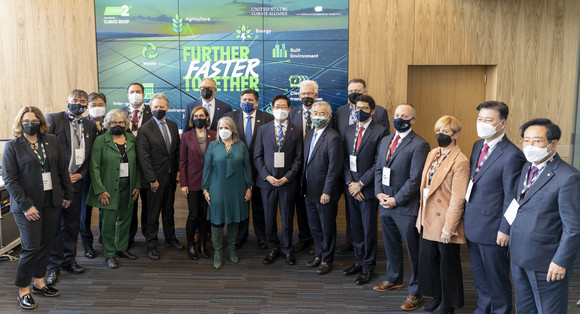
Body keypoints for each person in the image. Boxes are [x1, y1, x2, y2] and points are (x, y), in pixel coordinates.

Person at [2, 106, 73, 310]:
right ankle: (23, 290)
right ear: (20, 123)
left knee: (46, 244)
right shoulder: (13, 146)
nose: (29, 124)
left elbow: (62, 169)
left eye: (34, 120)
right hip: (27, 206)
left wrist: (66, 194)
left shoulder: (51, 141)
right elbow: (10, 179)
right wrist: (26, 205)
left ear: (41, 122)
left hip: (51, 201)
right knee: (31, 247)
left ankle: (39, 282)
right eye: (25, 120)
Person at [510, 119, 580, 313]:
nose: (530, 146)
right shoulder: (527, 167)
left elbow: (573, 228)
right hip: (519, 254)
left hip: (547, 262)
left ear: (553, 143)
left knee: (549, 310)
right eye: (526, 140)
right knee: (524, 308)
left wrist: (561, 261)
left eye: (537, 141)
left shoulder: (568, 177)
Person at [464, 101, 525, 314]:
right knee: (480, 278)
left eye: (488, 120)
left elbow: (512, 198)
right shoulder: (477, 145)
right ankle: (483, 310)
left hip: (494, 230)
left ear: (503, 123)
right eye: (480, 119)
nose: (482, 124)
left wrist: (505, 229)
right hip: (473, 224)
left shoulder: (512, 155)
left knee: (497, 280)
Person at [373, 103, 429, 311]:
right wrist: (379, 193)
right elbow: (379, 168)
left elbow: (415, 180)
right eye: (397, 115)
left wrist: (396, 200)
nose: (399, 119)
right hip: (384, 202)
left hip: (405, 206)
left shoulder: (420, 145)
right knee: (391, 244)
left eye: (404, 116)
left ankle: (416, 291)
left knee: (413, 250)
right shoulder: (386, 140)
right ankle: (394, 278)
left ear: (413, 120)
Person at [415, 115, 469, 314]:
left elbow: (458, 199)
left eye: (446, 132)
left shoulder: (460, 161)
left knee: (448, 265)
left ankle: (449, 304)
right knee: (430, 261)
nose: (441, 135)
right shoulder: (433, 153)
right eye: (439, 130)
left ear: (456, 135)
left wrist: (449, 228)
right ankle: (437, 297)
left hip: (446, 220)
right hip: (428, 217)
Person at [45, 89, 97, 285]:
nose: (79, 103)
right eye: (75, 100)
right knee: (55, 225)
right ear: (67, 101)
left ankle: (69, 259)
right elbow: (45, 151)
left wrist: (81, 174)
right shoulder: (53, 119)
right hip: (55, 183)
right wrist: (61, 175)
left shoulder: (90, 125)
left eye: (82, 100)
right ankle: (53, 266)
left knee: (72, 223)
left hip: (76, 181)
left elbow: (90, 155)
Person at [341, 95, 387, 285]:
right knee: (356, 228)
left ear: (373, 111)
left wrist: (361, 184)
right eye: (357, 107)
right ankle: (359, 262)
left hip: (367, 190)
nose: (360, 111)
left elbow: (379, 163)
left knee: (368, 230)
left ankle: (368, 266)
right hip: (351, 188)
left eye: (365, 108)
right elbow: (343, 159)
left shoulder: (381, 132)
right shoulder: (349, 129)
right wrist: (351, 183)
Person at [87, 109, 141, 269]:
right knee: (109, 223)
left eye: (121, 122)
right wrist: (100, 190)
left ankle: (121, 249)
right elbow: (94, 167)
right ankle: (109, 254)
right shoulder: (101, 141)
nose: (117, 125)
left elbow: (137, 165)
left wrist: (137, 185)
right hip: (108, 189)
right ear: (107, 124)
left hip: (128, 187)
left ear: (126, 124)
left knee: (126, 220)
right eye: (113, 123)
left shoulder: (131, 139)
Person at [253, 94, 303, 265]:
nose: (280, 110)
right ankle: (273, 248)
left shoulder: (296, 130)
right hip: (267, 183)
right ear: (272, 109)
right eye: (277, 107)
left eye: (284, 107)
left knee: (288, 217)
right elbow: (257, 157)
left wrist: (287, 178)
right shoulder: (263, 129)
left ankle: (288, 249)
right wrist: (267, 177)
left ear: (289, 109)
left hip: (287, 184)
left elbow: (298, 158)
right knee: (269, 217)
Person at [202, 116, 254, 269]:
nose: (223, 130)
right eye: (220, 128)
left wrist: (249, 187)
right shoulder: (212, 145)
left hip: (237, 188)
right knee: (217, 220)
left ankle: (231, 249)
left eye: (226, 127)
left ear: (232, 129)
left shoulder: (241, 146)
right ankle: (218, 252)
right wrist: (205, 189)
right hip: (217, 188)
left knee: (234, 218)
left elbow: (247, 167)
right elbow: (207, 168)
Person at [224, 89, 273, 250]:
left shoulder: (268, 118)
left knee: (259, 206)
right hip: (238, 171)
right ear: (240, 102)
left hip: (261, 170)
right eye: (244, 99)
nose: (247, 102)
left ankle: (262, 237)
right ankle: (240, 236)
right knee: (241, 205)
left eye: (251, 100)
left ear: (257, 102)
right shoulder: (231, 118)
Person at [136, 93, 183, 261]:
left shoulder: (172, 125)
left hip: (170, 177)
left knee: (169, 210)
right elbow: (144, 157)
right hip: (154, 180)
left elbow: (176, 151)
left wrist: (177, 171)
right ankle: (151, 244)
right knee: (152, 213)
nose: (158, 109)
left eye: (161, 107)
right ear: (150, 108)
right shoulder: (144, 129)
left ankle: (170, 239)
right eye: (155, 107)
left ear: (167, 108)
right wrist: (151, 179)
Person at [302, 101, 343, 275]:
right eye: (315, 113)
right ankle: (318, 255)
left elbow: (334, 168)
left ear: (329, 116)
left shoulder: (334, 137)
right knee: (315, 227)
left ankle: (327, 259)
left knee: (327, 228)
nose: (317, 116)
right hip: (309, 190)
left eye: (322, 114)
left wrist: (327, 191)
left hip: (325, 193)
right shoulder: (310, 134)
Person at [287, 79, 320, 252]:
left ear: (316, 95)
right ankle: (304, 237)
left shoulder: (324, 113)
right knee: (300, 204)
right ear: (298, 95)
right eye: (303, 94)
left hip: (317, 168)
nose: (307, 96)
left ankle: (316, 239)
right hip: (296, 167)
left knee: (316, 205)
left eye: (310, 93)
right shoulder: (292, 114)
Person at [180, 106, 216, 260]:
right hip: (192, 182)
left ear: (207, 118)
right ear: (192, 118)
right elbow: (182, 162)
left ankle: (202, 245)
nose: (199, 118)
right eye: (196, 116)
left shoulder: (214, 135)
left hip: (210, 182)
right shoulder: (186, 136)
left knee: (205, 215)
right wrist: (183, 183)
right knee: (193, 215)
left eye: (202, 115)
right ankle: (190, 246)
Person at [122, 82, 152, 248]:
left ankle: (149, 237)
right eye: (132, 92)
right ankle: (129, 237)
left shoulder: (152, 112)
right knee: (129, 205)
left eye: (138, 91)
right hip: (127, 168)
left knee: (148, 205)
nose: (135, 94)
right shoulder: (119, 114)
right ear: (127, 95)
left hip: (148, 167)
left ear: (143, 94)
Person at [80, 92, 108, 260]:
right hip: (86, 176)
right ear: (87, 107)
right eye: (93, 105)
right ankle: (87, 245)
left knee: (105, 210)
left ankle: (105, 239)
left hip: (105, 175)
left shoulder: (111, 123)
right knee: (85, 213)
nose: (97, 107)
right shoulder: (81, 124)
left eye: (100, 104)